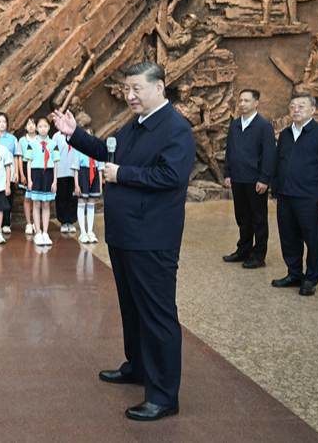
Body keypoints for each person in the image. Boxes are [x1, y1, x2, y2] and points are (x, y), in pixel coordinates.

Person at [53, 62, 195, 421]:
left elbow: (171, 175)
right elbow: (108, 151)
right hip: (125, 234)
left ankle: (164, 395)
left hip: (152, 238)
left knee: (158, 314)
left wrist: (122, 174)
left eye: (136, 89)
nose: (130, 96)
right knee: (132, 309)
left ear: (159, 87)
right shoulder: (136, 124)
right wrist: (75, 134)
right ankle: (138, 367)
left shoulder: (175, 128)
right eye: (126, 89)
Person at [270, 93, 318, 296]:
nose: (296, 110)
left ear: (313, 110)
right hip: (285, 195)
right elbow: (277, 163)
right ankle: (294, 274)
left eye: (301, 106)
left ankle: (311, 278)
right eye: (292, 106)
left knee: (313, 239)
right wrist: (275, 190)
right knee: (289, 237)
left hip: (310, 197)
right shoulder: (285, 134)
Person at [223, 89, 277, 269]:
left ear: (256, 103)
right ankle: (243, 250)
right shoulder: (234, 125)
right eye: (240, 101)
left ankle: (259, 255)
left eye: (246, 100)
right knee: (242, 217)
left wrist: (264, 179)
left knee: (258, 219)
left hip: (255, 181)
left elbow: (269, 155)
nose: (242, 104)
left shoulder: (264, 126)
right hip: (237, 179)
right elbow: (229, 151)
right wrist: (228, 173)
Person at [24, 117, 59, 247]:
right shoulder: (32, 143)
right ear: (37, 129)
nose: (43, 129)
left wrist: (55, 181)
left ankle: (45, 232)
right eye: (40, 126)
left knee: (46, 204)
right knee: (36, 204)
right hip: (36, 174)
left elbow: (55, 163)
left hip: (48, 174)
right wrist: (29, 179)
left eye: (45, 126)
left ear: (49, 127)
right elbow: (29, 162)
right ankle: (37, 232)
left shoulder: (53, 144)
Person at [70, 126, 101, 244]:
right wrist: (76, 184)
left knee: (91, 203)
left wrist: (100, 185)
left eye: (90, 134)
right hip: (83, 175)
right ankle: (83, 232)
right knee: (82, 203)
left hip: (94, 174)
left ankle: (90, 231)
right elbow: (76, 168)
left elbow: (100, 168)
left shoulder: (97, 149)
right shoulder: (78, 149)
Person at [0, 112, 18, 235]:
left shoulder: (13, 139)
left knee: (8, 198)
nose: (2, 124)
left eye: (4, 122)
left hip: (9, 175)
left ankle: (7, 223)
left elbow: (16, 157)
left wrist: (16, 172)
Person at [53, 120, 78, 234]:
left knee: (72, 197)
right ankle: (63, 222)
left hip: (74, 171)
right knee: (61, 197)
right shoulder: (56, 136)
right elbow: (54, 154)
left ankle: (71, 221)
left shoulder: (76, 134)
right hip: (61, 171)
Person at [17, 117, 38, 235]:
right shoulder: (22, 140)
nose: (30, 126)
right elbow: (20, 157)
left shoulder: (40, 139)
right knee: (27, 198)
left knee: (37, 198)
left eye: (33, 123)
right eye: (28, 124)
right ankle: (28, 223)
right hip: (25, 167)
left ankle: (36, 222)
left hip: (37, 167)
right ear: (25, 127)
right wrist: (21, 173)